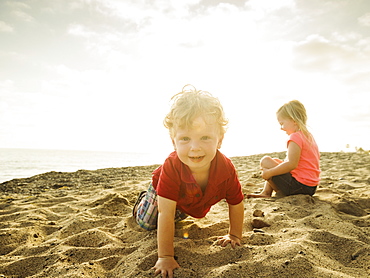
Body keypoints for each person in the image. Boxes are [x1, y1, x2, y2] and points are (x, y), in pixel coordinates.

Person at [132, 85, 244, 277]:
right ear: (173, 141)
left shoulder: (226, 168)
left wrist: (234, 235)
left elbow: (236, 203)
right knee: (147, 223)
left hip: (188, 200)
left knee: (183, 211)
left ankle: (177, 204)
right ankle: (145, 198)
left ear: (220, 140)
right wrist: (165, 256)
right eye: (185, 138)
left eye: (205, 137)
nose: (194, 147)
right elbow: (165, 214)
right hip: (164, 192)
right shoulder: (172, 165)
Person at [247, 100, 320, 199]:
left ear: (293, 120)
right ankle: (266, 192)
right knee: (276, 162)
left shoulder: (295, 137)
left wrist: (269, 173)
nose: (281, 128)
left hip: (299, 187)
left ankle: (267, 192)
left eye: (282, 123)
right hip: (311, 187)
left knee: (266, 161)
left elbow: (291, 164)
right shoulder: (308, 136)